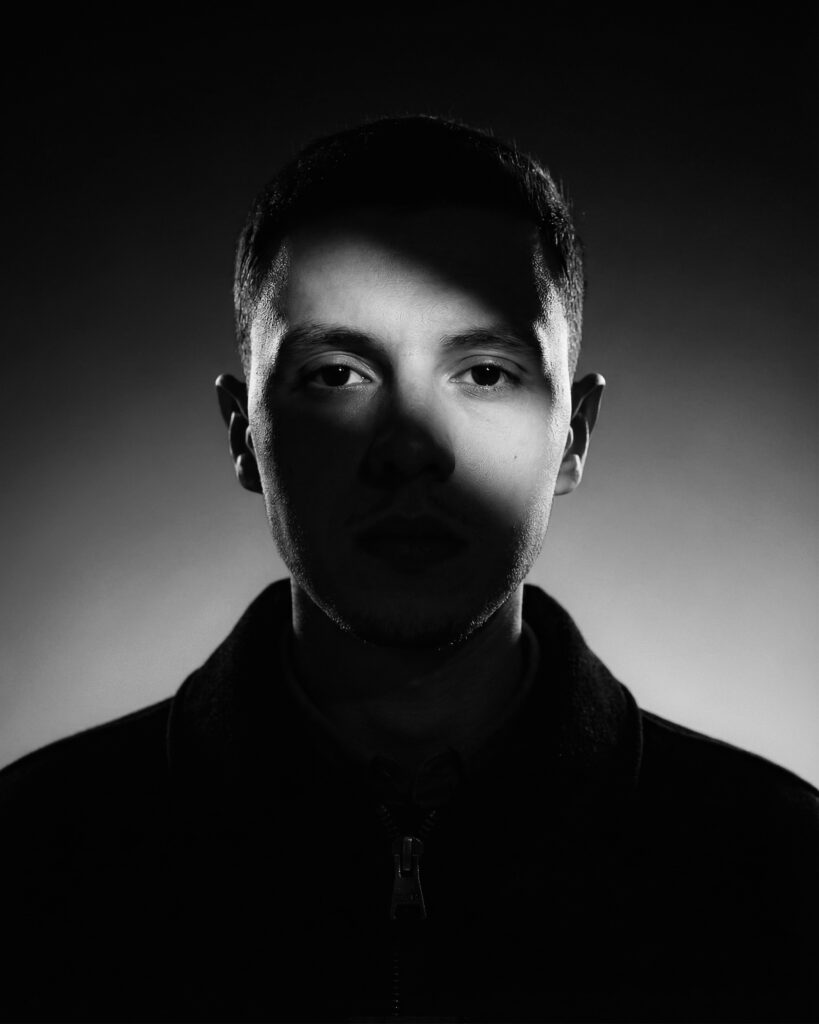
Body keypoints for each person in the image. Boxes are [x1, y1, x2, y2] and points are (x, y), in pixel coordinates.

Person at [0, 115, 816, 1024]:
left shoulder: (780, 872)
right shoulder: (33, 859)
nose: (409, 448)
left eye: (485, 372)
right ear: (244, 434)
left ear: (574, 435)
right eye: (337, 374)